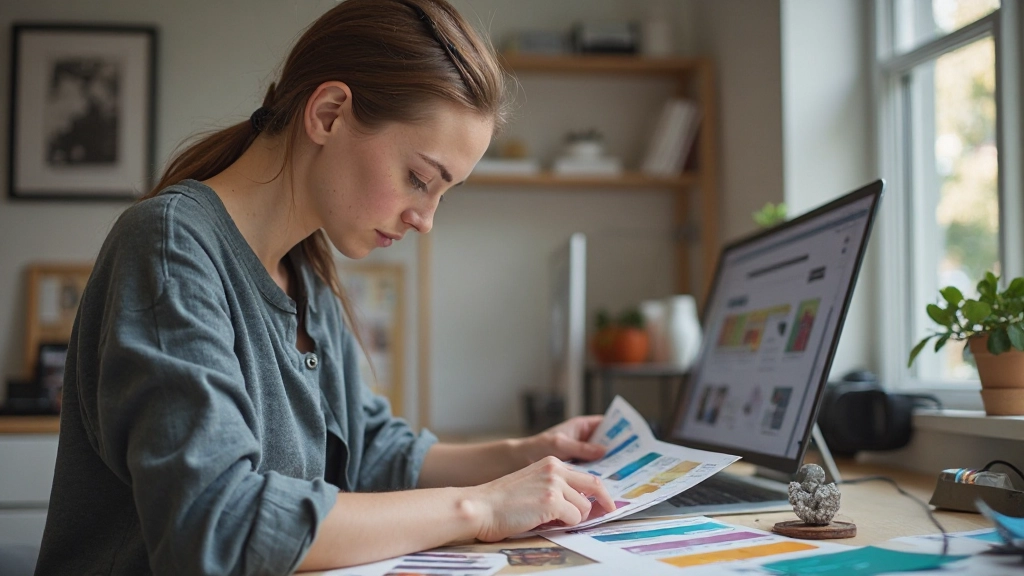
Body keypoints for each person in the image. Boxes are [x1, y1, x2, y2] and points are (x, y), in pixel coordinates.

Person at [34, 1, 615, 574]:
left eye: (443, 193)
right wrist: (480, 506)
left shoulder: (302, 271)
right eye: (418, 179)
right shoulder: (169, 247)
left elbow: (371, 451)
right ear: (330, 113)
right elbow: (217, 525)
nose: (425, 219)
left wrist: (527, 456)